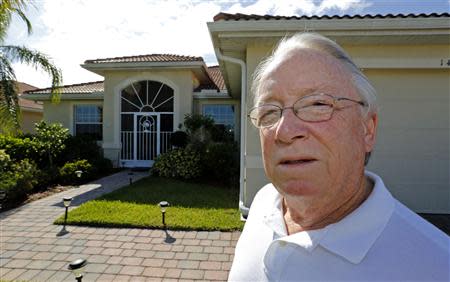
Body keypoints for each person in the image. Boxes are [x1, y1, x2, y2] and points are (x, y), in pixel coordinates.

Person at [228, 33, 449, 281]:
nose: (284, 131)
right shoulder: (263, 202)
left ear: (367, 129)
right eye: (269, 112)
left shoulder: (436, 266)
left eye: (318, 104)